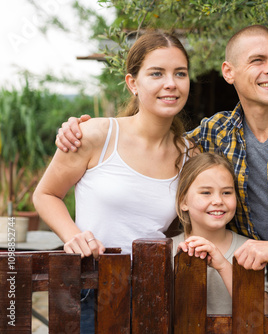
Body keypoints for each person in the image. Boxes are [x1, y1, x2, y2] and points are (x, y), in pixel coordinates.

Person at [56, 25, 268, 315]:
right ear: (229, 72)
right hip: (237, 311)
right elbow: (152, 144)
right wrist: (78, 130)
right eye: (258, 60)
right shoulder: (213, 135)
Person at [34, 31, 194, 333]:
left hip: (154, 290)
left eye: (180, 73)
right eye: (156, 73)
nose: (170, 83)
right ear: (133, 83)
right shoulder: (95, 134)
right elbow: (45, 194)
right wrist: (73, 236)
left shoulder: (190, 154)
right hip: (89, 286)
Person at [172, 152, 268, 314]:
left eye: (226, 192)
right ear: (183, 201)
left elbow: (261, 312)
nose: (218, 201)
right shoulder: (168, 250)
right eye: (206, 192)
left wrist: (223, 266)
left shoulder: (250, 250)